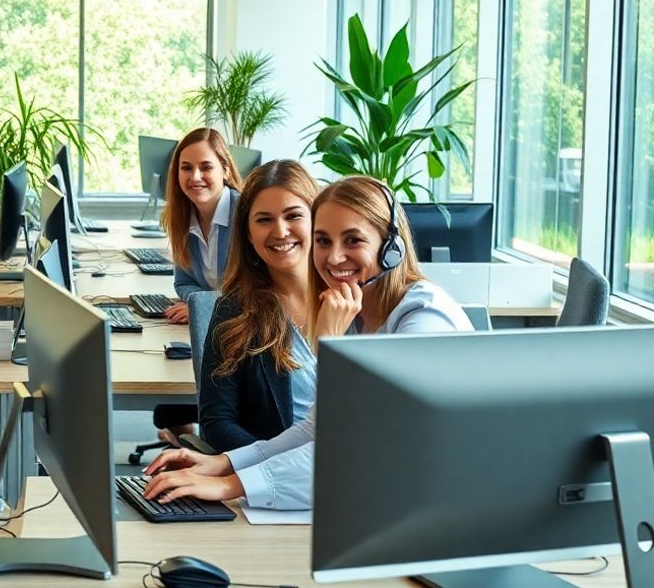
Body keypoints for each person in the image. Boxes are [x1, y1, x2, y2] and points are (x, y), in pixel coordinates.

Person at [143, 175, 472, 510]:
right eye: (323, 241)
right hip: (391, 503)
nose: (334, 257)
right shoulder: (356, 316)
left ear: (392, 247)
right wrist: (225, 464)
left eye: (353, 240)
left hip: (445, 508)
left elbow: (361, 447)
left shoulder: (424, 321)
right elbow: (318, 428)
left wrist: (229, 485)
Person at [197, 160, 321, 453]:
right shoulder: (235, 309)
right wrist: (274, 461)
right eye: (264, 220)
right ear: (249, 234)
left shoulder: (354, 299)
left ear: (318, 221)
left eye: (293, 216)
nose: (281, 231)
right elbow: (216, 422)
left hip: (354, 464)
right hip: (274, 471)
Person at [160, 127, 244, 325]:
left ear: (225, 170)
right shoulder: (181, 216)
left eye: (206, 167)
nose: (195, 177)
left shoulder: (245, 214)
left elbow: (259, 290)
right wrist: (200, 305)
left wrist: (204, 307)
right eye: (186, 168)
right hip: (214, 329)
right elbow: (184, 282)